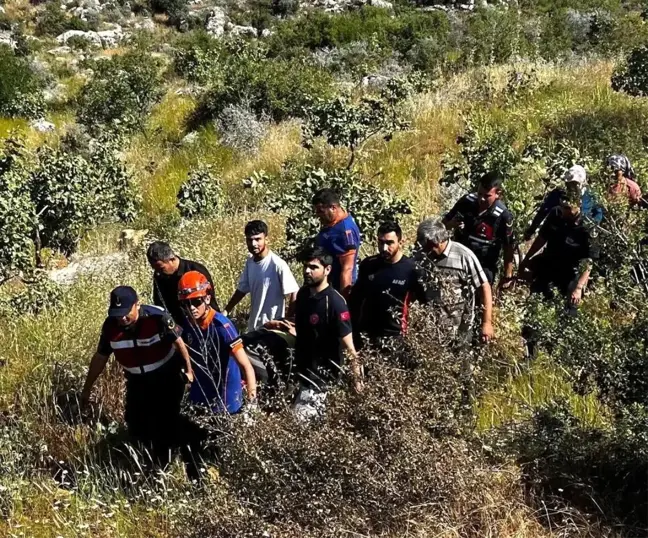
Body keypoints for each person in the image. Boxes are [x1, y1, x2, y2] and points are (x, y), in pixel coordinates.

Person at [80, 286, 195, 467]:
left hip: (165, 375)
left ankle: (169, 462)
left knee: (166, 420)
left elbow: (178, 342)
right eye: (117, 314)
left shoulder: (157, 318)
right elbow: (101, 357)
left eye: (126, 313)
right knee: (136, 423)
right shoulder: (110, 326)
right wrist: (87, 388)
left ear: (137, 305)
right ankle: (144, 460)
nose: (122, 318)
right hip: (137, 380)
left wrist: (189, 371)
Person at [291, 246, 362, 420]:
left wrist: (358, 386)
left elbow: (350, 349)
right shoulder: (303, 295)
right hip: (300, 376)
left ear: (327, 270)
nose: (307, 271)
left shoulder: (335, 303)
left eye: (314, 267)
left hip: (322, 381)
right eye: (306, 266)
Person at [178, 271, 257, 414]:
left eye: (196, 302)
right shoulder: (188, 324)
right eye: (186, 303)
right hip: (200, 390)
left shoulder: (222, 326)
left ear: (207, 298)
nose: (191, 308)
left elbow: (246, 367)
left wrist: (251, 405)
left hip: (225, 392)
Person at [413, 218, 494, 345]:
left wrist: (486, 323)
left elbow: (484, 287)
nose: (424, 251)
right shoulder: (420, 255)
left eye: (428, 246)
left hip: (460, 330)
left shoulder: (464, 256)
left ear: (437, 242)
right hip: (429, 330)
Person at [519, 192, 598, 313]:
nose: (563, 211)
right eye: (562, 206)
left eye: (567, 208)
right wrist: (526, 259)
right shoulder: (556, 214)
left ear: (579, 205)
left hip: (571, 274)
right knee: (535, 304)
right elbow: (541, 238)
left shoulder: (588, 226)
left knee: (568, 313)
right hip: (549, 265)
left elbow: (589, 260)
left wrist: (578, 287)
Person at [349, 221, 424, 343]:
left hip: (395, 338)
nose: (384, 248)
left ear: (401, 242)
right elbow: (355, 300)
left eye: (389, 243)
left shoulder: (412, 270)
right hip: (365, 336)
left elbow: (426, 305)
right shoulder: (368, 265)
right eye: (381, 242)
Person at [223, 220, 299, 332]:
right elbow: (242, 290)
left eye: (258, 239)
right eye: (250, 240)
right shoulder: (250, 263)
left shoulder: (277, 264)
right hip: (254, 327)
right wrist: (226, 311)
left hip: (273, 328)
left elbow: (294, 291)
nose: (253, 244)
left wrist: (286, 321)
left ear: (266, 239)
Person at [443, 172, 515, 288]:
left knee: (481, 300)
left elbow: (508, 246)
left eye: (486, 196)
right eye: (479, 193)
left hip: (484, 264)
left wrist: (508, 275)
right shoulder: (467, 202)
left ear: (498, 194)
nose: (481, 199)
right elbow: (443, 224)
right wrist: (451, 225)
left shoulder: (503, 216)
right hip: (459, 259)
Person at [524, 165, 604, 241]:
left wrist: (593, 226)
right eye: (569, 184)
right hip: (560, 234)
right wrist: (531, 230)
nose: (571, 187)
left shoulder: (591, 196)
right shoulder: (558, 194)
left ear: (582, 183)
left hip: (581, 237)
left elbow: (598, 213)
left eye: (574, 184)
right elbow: (544, 210)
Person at [147, 241, 219, 325]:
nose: (158, 272)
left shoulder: (196, 270)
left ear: (172, 259)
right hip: (178, 327)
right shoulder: (159, 276)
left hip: (205, 324)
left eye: (161, 268)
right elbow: (159, 303)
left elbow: (210, 302)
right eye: (155, 268)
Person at [313, 188, 362, 298]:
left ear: (333, 208)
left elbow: (347, 269)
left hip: (333, 291)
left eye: (321, 211)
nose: (317, 215)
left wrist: (342, 305)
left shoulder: (345, 231)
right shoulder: (331, 222)